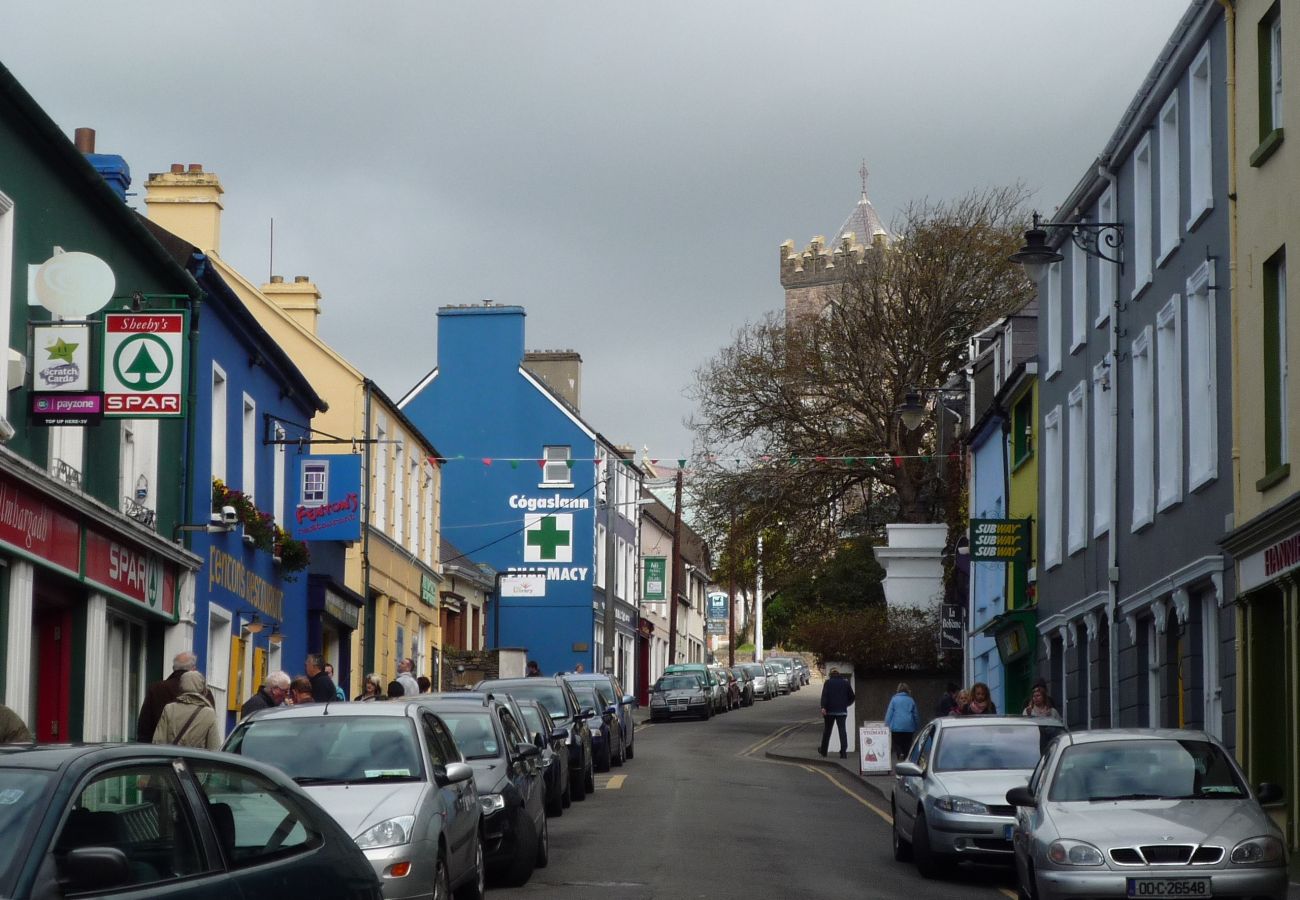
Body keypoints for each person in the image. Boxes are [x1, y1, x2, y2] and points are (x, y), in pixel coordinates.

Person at [136, 651, 200, 742]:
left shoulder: (156, 689)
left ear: (173, 668)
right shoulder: (204, 693)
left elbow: (144, 728)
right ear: (193, 670)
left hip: (162, 752)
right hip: (194, 754)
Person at [152, 671, 221, 750]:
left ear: (181, 687)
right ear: (203, 690)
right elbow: (214, 747)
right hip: (196, 761)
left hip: (171, 760)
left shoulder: (169, 709)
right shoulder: (209, 713)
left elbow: (158, 742)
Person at [817, 668, 856, 759]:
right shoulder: (845, 683)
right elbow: (852, 696)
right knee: (842, 731)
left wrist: (823, 707)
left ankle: (824, 751)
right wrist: (846, 704)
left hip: (829, 710)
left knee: (827, 731)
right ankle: (843, 753)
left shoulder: (828, 683)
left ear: (830, 674)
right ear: (839, 674)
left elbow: (824, 696)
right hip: (842, 711)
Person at [884, 682, 920, 761]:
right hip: (909, 727)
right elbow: (915, 715)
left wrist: (886, 725)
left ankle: (900, 754)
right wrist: (917, 725)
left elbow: (889, 713)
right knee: (907, 744)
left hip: (896, 727)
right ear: (907, 690)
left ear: (898, 690)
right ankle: (906, 759)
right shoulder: (911, 700)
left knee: (897, 743)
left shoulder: (894, 699)